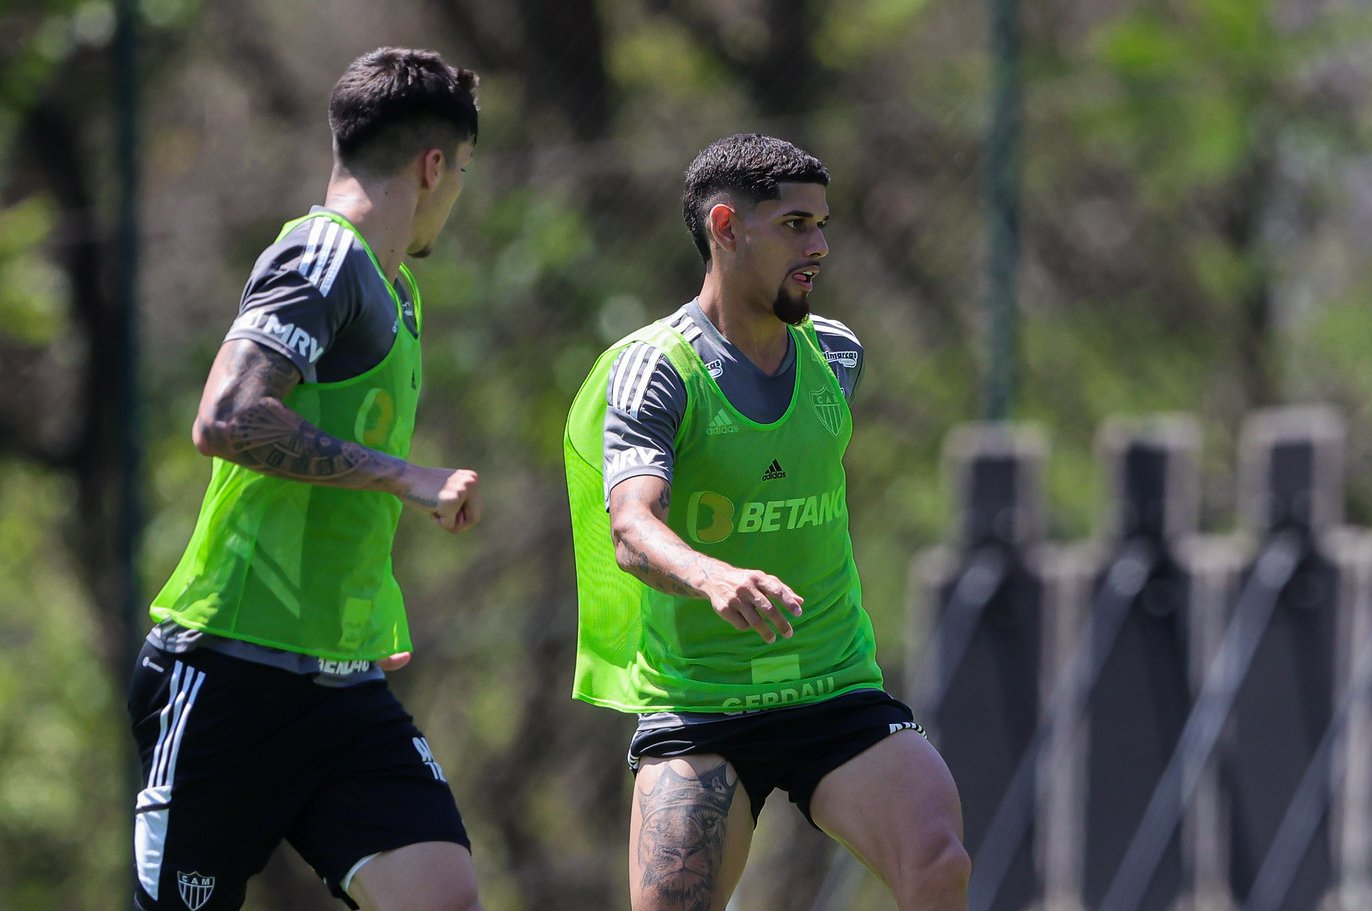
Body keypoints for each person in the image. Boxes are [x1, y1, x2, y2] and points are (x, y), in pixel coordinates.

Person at [564, 133, 971, 910]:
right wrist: (710, 573)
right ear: (725, 227)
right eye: (794, 225)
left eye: (822, 223)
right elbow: (631, 526)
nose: (818, 246)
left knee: (938, 862)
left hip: (835, 687)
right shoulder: (659, 371)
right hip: (703, 704)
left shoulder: (839, 356)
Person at [130, 47, 486, 911]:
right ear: (433, 165)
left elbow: (326, 476)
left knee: (443, 896)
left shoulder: (397, 292)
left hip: (342, 689)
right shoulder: (324, 256)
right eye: (464, 171)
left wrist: (363, 603)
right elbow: (227, 416)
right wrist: (408, 477)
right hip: (228, 679)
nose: (460, 191)